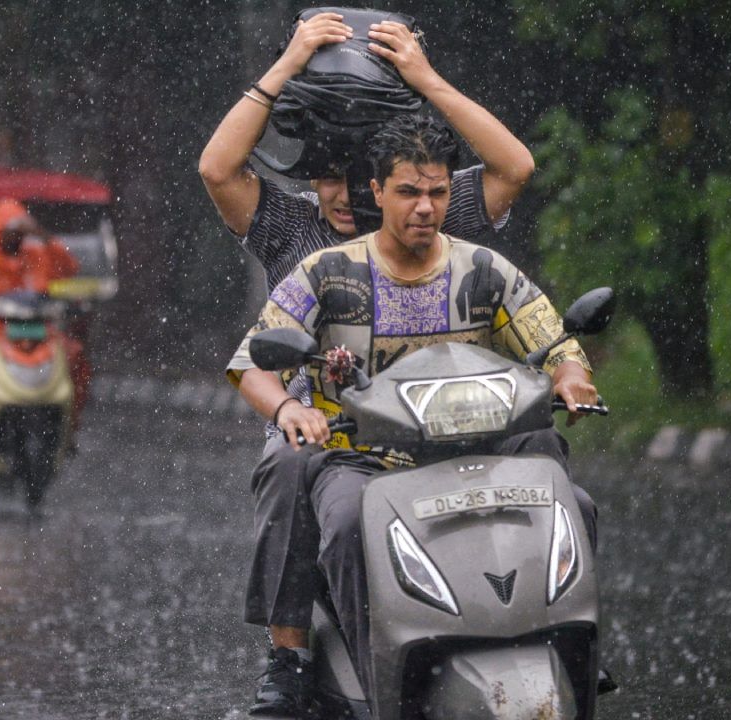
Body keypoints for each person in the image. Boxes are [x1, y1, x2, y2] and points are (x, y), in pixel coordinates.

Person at [199, 12, 537, 715]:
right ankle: (288, 655)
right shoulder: (292, 228)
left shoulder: (429, 214)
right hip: (327, 429)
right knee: (291, 462)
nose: (346, 195)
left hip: (443, 418)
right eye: (328, 177)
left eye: (362, 179)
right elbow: (216, 168)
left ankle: (541, 621)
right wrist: (287, 64)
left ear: (389, 184)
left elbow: (514, 167)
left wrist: (425, 78)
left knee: (539, 449)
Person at [226, 114, 600, 705]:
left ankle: (568, 642)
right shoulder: (327, 272)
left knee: (571, 499)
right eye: (408, 192)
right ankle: (361, 670)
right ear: (377, 192)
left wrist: (572, 378)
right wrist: (289, 409)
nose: (425, 208)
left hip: (482, 453)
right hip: (361, 460)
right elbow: (253, 365)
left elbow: (555, 344)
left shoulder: (484, 270)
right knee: (345, 524)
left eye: (437, 192)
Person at [0, 199, 89, 464]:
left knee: (74, 356)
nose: (17, 239)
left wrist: (43, 236)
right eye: (11, 233)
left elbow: (69, 268)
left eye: (21, 233)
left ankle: (69, 427)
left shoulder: (38, 255)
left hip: (40, 330)